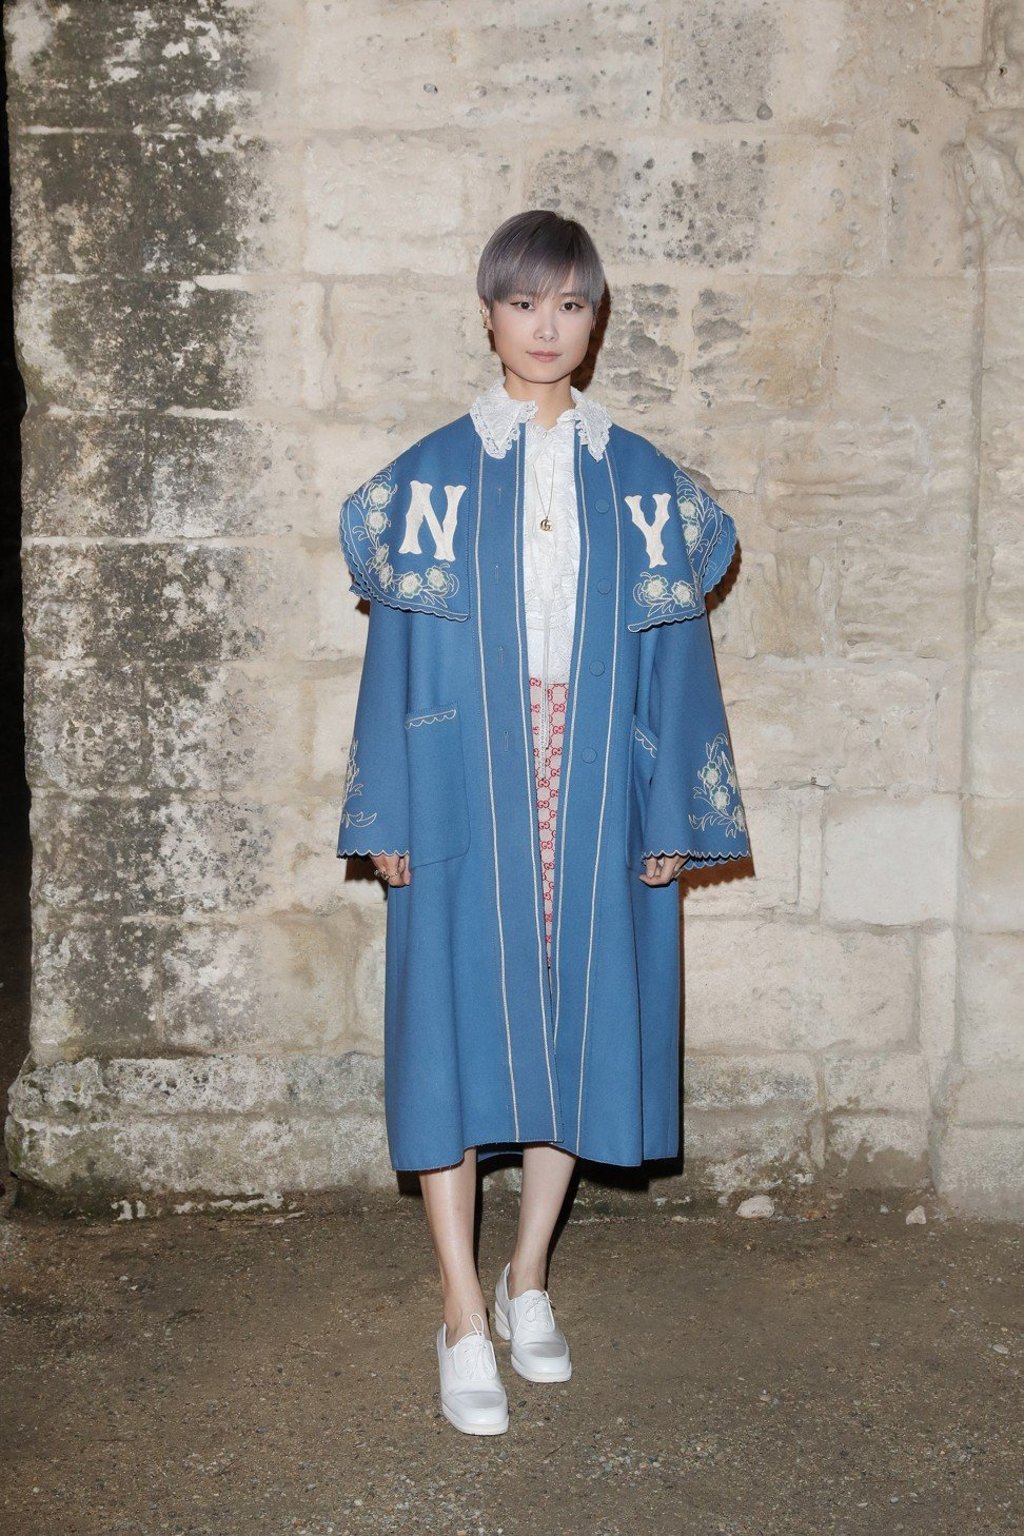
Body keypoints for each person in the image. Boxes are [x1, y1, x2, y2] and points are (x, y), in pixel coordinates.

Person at [336, 209, 751, 1436]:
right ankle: (460, 1311)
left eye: (570, 305)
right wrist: (387, 810)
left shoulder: (642, 484)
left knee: (580, 1023)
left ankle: (528, 1283)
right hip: (463, 781)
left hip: (597, 784)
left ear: (596, 318)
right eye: (525, 303)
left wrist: (672, 804)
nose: (546, 328)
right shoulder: (427, 480)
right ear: (487, 312)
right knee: (452, 1035)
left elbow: (681, 660)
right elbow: (392, 662)